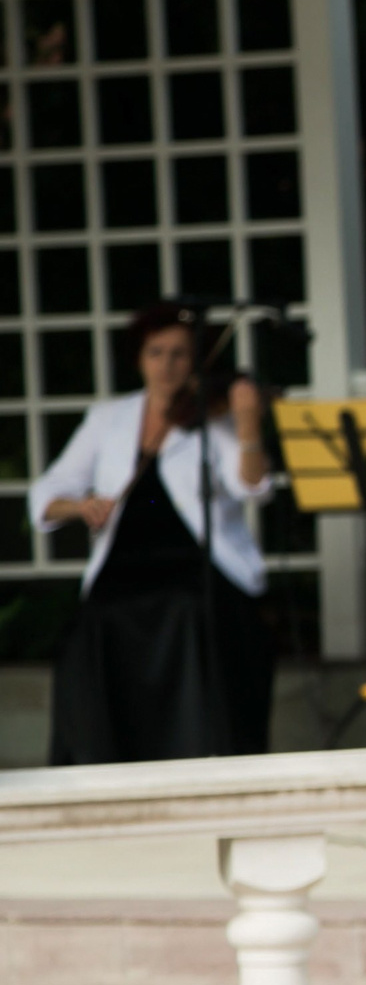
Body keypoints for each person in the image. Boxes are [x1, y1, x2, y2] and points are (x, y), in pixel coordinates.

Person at [32, 301, 273, 763]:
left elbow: (252, 485)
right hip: (125, 567)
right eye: (156, 353)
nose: (167, 365)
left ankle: (199, 750)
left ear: (196, 360)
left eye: (180, 354)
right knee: (94, 623)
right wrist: (81, 506)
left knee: (188, 612)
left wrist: (246, 423)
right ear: (140, 359)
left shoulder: (212, 416)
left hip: (199, 567)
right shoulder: (109, 419)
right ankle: (104, 759)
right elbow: (49, 489)